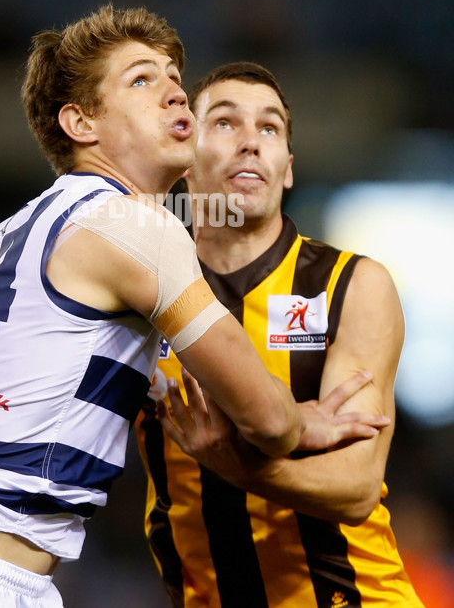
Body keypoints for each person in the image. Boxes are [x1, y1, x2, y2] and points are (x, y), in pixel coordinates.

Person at [0, 11, 386, 608]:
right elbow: (269, 421)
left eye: (173, 77)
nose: (173, 90)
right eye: (141, 80)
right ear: (81, 123)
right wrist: (305, 422)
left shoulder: (10, 233)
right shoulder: (138, 226)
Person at [138, 62, 424, 607]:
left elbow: (357, 487)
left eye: (269, 129)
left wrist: (236, 466)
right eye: (225, 123)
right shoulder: (142, 296)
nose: (251, 142)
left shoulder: (351, 285)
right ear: (184, 160)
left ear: (287, 169)